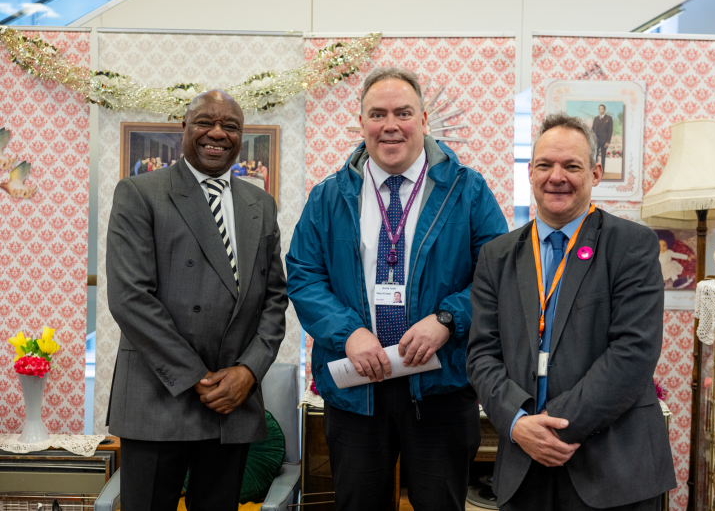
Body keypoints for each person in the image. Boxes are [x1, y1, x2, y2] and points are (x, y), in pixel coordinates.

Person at [286, 67, 508, 511]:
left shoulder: (468, 191)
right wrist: (348, 333)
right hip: (356, 387)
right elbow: (304, 275)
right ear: (361, 123)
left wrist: (447, 320)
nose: (391, 125)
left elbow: (496, 275)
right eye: (378, 114)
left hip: (439, 385)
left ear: (424, 121)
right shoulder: (328, 196)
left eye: (403, 113)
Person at [467, 112, 675, 510]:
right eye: (545, 165)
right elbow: (481, 354)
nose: (556, 176)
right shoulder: (497, 256)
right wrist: (518, 423)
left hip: (612, 470)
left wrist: (552, 427)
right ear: (530, 172)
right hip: (524, 469)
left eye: (571, 166)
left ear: (596, 173)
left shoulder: (632, 246)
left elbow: (634, 351)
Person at [106, 90, 288, 511]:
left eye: (231, 126)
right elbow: (130, 298)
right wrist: (199, 379)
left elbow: (274, 298)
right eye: (206, 121)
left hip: (234, 402)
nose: (218, 133)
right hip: (159, 397)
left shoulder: (259, 203)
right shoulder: (140, 193)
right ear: (183, 128)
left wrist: (248, 371)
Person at [590, 104, 613, 172]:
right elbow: (593, 130)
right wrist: (592, 140)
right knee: (595, 156)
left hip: (604, 141)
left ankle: (602, 171)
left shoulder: (608, 118)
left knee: (603, 157)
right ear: (598, 110)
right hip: (596, 141)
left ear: (604, 110)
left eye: (602, 109)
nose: (601, 110)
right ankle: (594, 171)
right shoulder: (596, 118)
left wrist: (608, 141)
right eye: (599, 109)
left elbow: (610, 131)